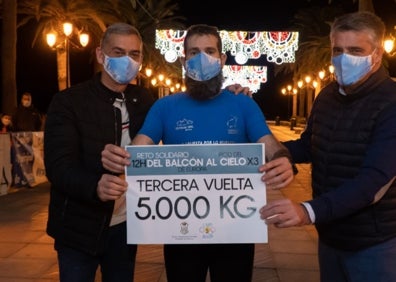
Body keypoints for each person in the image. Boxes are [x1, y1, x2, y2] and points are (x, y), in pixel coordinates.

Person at [44, 22, 253, 282]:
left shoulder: (143, 100)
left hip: (125, 227)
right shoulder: (68, 102)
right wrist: (94, 185)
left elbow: (153, 148)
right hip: (79, 226)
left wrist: (231, 93)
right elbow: (57, 165)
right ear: (100, 54)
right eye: (118, 53)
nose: (127, 61)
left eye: (134, 55)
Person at [100, 24, 295, 282]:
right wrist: (119, 160)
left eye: (209, 51)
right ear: (183, 60)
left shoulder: (243, 104)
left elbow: (270, 145)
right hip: (181, 233)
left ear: (222, 59)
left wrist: (283, 161)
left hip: (235, 232)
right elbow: (138, 150)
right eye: (193, 52)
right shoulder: (165, 107)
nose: (202, 58)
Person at [260, 11, 396, 282]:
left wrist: (307, 211)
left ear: (377, 55)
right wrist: (274, 156)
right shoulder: (327, 95)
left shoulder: (391, 103)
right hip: (330, 237)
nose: (344, 58)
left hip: (375, 244)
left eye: (355, 50)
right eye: (338, 50)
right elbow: (309, 145)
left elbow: (373, 184)